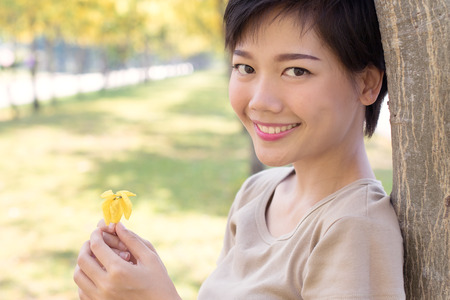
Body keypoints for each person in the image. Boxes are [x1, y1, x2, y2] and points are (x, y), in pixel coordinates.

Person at [73, 0, 405, 299]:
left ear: (367, 84)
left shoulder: (355, 228)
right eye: (245, 68)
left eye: (296, 71)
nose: (261, 100)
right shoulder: (257, 194)